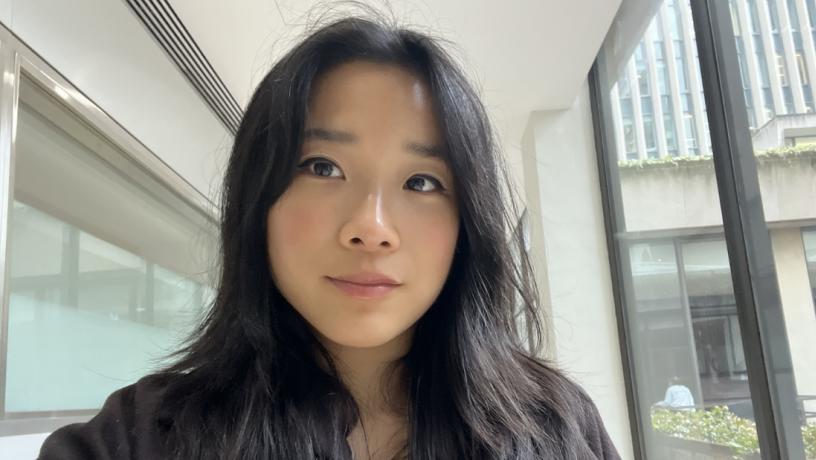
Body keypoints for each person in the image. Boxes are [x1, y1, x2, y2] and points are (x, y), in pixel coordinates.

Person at [38, 14, 620, 460]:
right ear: (257, 196)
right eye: (321, 167)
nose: (370, 227)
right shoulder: (141, 437)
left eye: (421, 181)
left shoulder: (554, 428)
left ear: (468, 223)